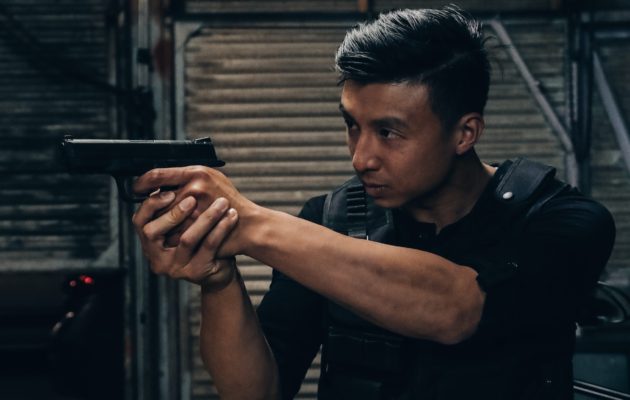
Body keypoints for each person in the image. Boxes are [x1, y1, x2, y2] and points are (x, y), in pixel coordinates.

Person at [131, 6, 615, 400]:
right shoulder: (330, 221)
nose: (361, 157)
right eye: (352, 125)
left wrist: (252, 225)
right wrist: (218, 280)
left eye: (388, 132)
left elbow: (457, 309)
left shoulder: (563, 222)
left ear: (465, 133)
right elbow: (255, 393)